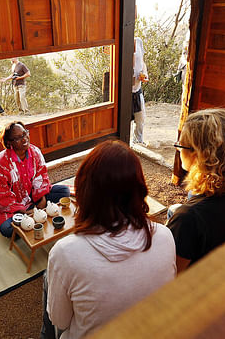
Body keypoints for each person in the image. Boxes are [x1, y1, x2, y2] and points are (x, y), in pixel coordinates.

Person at [44, 140, 176, 339]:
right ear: (139, 188)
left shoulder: (66, 253)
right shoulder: (164, 236)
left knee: (48, 278)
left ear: (85, 190)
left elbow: (59, 321)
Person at [167, 108, 225, 272]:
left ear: (199, 154)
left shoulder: (188, 218)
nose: (178, 149)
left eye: (181, 145)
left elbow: (172, 275)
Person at [0, 121, 70, 237]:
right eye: (18, 138)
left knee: (64, 191)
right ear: (9, 143)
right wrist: (24, 211)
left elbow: (41, 177)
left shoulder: (35, 152)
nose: (24, 139)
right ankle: (34, 217)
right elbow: (2, 196)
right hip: (14, 206)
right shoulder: (0, 164)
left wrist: (41, 200)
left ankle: (31, 220)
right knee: (6, 229)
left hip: (33, 198)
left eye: (24, 134)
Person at [131, 37, 148, 145]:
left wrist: (145, 74)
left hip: (137, 90)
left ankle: (138, 143)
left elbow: (142, 62)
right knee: (124, 122)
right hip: (123, 92)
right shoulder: (121, 41)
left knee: (140, 119)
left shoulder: (138, 41)